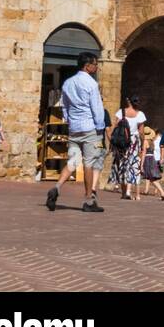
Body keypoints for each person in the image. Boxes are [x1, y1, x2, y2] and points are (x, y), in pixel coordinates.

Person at [46, 50, 105, 213]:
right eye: (95, 64)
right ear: (87, 66)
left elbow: (64, 105)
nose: (97, 67)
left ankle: (56, 187)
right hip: (89, 128)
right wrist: (100, 127)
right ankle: (88, 200)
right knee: (89, 163)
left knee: (72, 161)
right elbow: (97, 109)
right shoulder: (92, 84)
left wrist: (69, 120)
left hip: (74, 128)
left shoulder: (68, 83)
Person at [111, 96, 147, 201]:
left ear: (128, 101)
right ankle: (129, 191)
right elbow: (141, 132)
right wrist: (142, 144)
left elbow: (115, 127)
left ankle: (123, 193)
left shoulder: (121, 112)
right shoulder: (140, 114)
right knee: (133, 167)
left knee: (122, 166)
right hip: (134, 143)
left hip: (121, 142)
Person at [140, 127, 164, 200]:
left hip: (147, 159)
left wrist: (141, 165)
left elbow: (143, 153)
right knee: (151, 178)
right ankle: (162, 193)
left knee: (150, 177)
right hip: (152, 159)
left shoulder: (145, 141)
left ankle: (163, 193)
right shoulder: (152, 141)